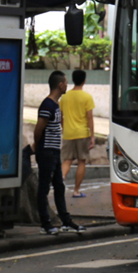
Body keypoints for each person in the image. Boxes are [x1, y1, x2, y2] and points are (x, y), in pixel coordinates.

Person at [34, 71, 86, 235]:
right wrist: (40, 147)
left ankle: (65, 220)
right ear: (60, 85)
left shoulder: (55, 105)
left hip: (55, 152)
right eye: (65, 82)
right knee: (44, 188)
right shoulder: (47, 105)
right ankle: (45, 223)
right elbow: (38, 130)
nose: (67, 85)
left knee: (59, 186)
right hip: (47, 152)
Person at [59, 69, 97, 198]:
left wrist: (65, 128)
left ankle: (60, 180)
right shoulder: (87, 97)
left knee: (67, 160)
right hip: (82, 133)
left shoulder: (65, 97)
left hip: (68, 134)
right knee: (82, 161)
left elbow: (61, 116)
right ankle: (76, 191)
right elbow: (90, 118)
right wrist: (92, 136)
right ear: (84, 80)